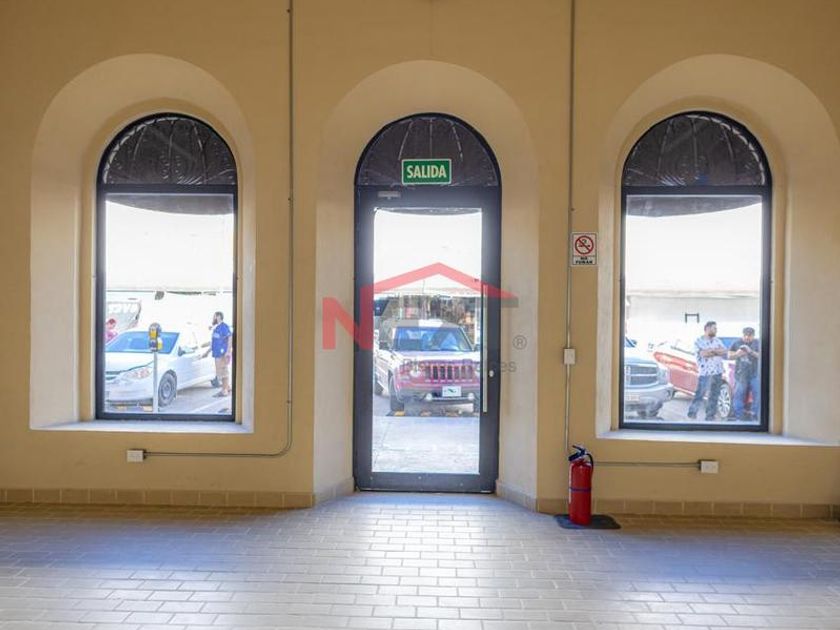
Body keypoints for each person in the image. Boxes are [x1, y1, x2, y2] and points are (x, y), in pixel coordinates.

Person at [687, 321, 728, 420]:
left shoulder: (717, 340)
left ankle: (710, 416)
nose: (716, 330)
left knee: (714, 395)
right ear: (708, 329)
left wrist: (711, 351)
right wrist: (716, 351)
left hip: (717, 372)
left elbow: (724, 351)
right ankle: (692, 413)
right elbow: (703, 354)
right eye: (714, 328)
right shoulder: (699, 341)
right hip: (705, 372)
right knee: (700, 393)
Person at [728, 326, 760, 420]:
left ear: (753, 336)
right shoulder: (736, 342)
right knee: (738, 395)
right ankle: (739, 415)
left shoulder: (757, 343)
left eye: (749, 336)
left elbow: (763, 356)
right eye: (745, 335)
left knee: (758, 395)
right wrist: (737, 354)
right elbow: (729, 356)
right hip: (740, 375)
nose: (747, 337)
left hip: (754, 374)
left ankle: (755, 415)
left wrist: (751, 352)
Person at [207, 311, 232, 398]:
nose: (213, 318)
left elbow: (230, 338)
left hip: (222, 354)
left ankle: (224, 390)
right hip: (217, 354)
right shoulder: (216, 328)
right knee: (220, 372)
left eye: (214, 316)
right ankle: (227, 387)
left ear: (218, 317)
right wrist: (207, 352)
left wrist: (228, 351)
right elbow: (214, 342)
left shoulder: (224, 327)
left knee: (223, 371)